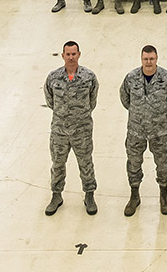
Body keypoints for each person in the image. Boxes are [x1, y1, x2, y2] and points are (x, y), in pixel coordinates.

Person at [120, 45, 167, 216]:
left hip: (159, 131)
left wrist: (157, 114)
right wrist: (139, 113)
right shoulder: (131, 78)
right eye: (146, 59)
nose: (149, 62)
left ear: (156, 58)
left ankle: (164, 195)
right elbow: (125, 98)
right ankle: (134, 195)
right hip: (136, 130)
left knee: (162, 164)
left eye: (151, 59)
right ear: (141, 59)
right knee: (133, 163)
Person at [44, 40, 99, 216]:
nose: (71, 57)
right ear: (62, 56)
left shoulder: (88, 77)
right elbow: (50, 100)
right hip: (59, 130)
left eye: (74, 54)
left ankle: (89, 195)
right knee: (58, 163)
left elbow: (92, 100)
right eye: (67, 54)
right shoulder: (53, 77)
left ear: (79, 54)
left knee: (86, 163)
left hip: (82, 130)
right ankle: (56, 195)